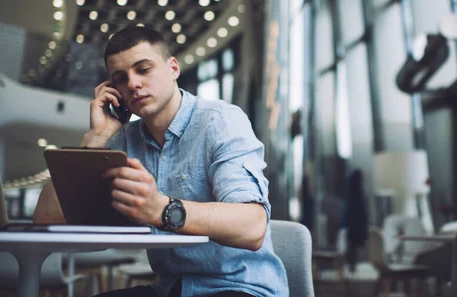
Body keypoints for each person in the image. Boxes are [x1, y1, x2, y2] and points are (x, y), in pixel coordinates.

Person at [33, 26, 288, 297]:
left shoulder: (220, 121)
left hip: (240, 287)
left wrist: (162, 210)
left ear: (173, 68)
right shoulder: (123, 141)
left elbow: (252, 227)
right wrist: (95, 137)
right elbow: (47, 218)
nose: (132, 83)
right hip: (170, 289)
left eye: (143, 69)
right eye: (120, 78)